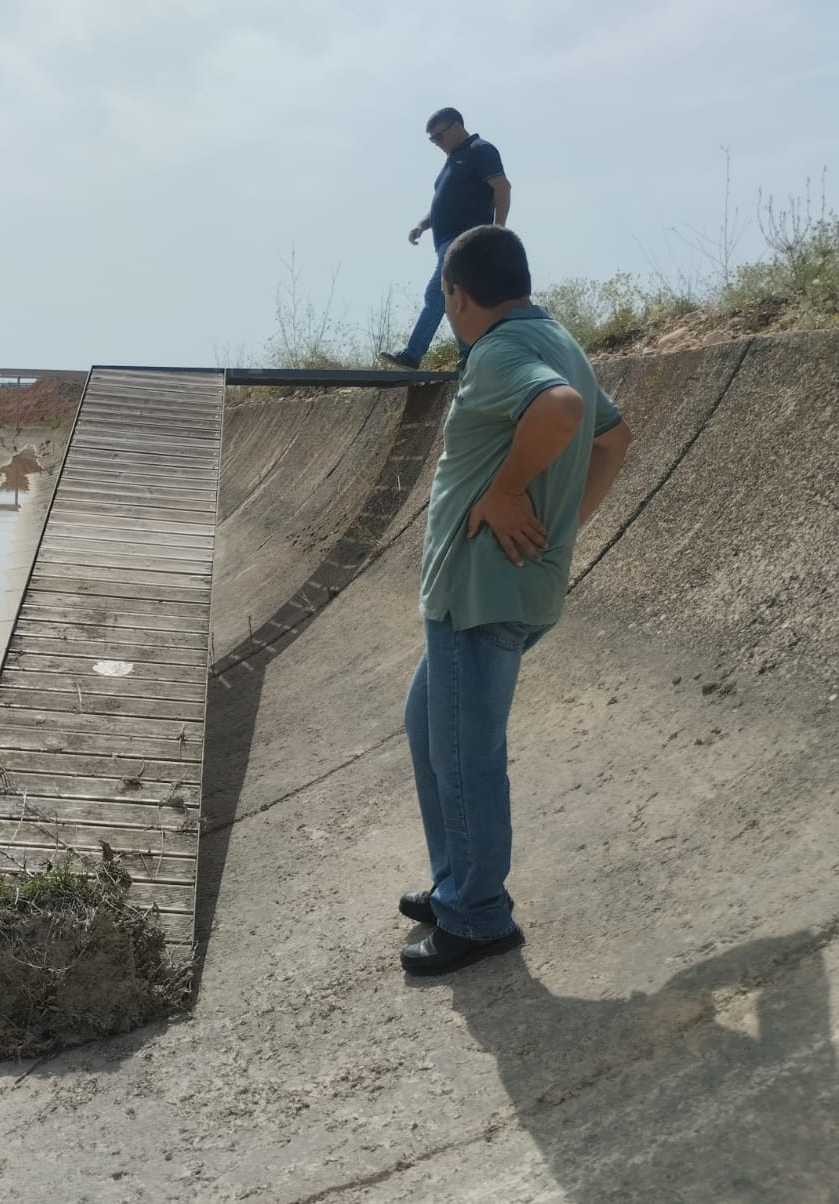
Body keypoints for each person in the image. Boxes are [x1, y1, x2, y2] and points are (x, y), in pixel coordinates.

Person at [399, 226, 633, 976]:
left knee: (466, 755)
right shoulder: (557, 337)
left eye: (447, 296)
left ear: (458, 295)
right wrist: (561, 529)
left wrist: (505, 492)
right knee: (428, 723)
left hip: (480, 592)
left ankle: (478, 916)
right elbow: (614, 438)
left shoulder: (499, 353)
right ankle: (455, 884)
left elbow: (564, 412)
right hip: (501, 587)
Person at [379, 108, 511, 370]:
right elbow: (445, 203)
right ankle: (471, 356)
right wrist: (422, 224)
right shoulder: (452, 162)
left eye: (438, 137)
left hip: (467, 239)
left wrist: (499, 228)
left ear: (455, 127)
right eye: (432, 141)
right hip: (446, 243)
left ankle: (413, 355)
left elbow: (502, 187)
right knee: (456, 298)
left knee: (438, 292)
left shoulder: (480, 150)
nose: (437, 144)